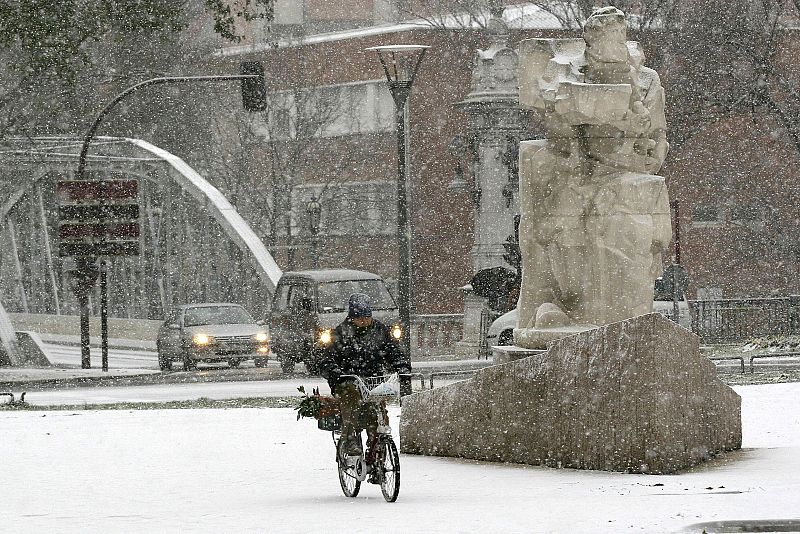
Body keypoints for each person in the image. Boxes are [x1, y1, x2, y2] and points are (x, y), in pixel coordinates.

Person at [318, 293, 411, 460]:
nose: (363, 321)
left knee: (377, 411)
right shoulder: (340, 333)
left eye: (367, 317)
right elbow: (326, 359)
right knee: (351, 398)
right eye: (359, 317)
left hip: (372, 381)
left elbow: (394, 351)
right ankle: (349, 438)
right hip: (348, 380)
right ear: (351, 317)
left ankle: (377, 448)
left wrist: (402, 367)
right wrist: (335, 373)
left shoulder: (380, 330)